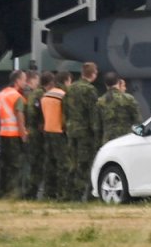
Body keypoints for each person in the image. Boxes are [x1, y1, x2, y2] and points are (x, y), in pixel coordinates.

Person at [64, 61, 101, 201]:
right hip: (85, 133)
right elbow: (93, 114)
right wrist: (96, 133)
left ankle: (68, 194)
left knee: (72, 163)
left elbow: (65, 109)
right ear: (93, 74)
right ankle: (79, 195)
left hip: (71, 130)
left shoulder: (71, 88)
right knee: (84, 164)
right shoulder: (89, 90)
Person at [0, 69, 28, 199]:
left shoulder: (1, 94)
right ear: (17, 81)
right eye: (24, 79)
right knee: (16, 167)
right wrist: (23, 134)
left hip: (3, 133)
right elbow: (19, 116)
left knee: (4, 166)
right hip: (15, 135)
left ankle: (2, 193)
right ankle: (14, 195)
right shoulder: (17, 97)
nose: (25, 82)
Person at [41, 72, 70, 200]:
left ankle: (48, 193)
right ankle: (62, 193)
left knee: (49, 164)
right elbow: (65, 116)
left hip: (48, 131)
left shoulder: (45, 96)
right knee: (62, 165)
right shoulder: (63, 96)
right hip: (59, 132)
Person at [24, 71, 52, 199]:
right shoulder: (41, 94)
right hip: (37, 132)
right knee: (37, 164)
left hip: (31, 130)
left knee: (33, 162)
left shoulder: (33, 94)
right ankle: (31, 193)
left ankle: (30, 192)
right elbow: (41, 113)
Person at [97, 72, 141, 144]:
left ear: (106, 84)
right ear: (118, 82)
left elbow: (97, 126)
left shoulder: (100, 102)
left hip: (108, 142)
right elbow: (137, 120)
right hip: (126, 139)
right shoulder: (128, 98)